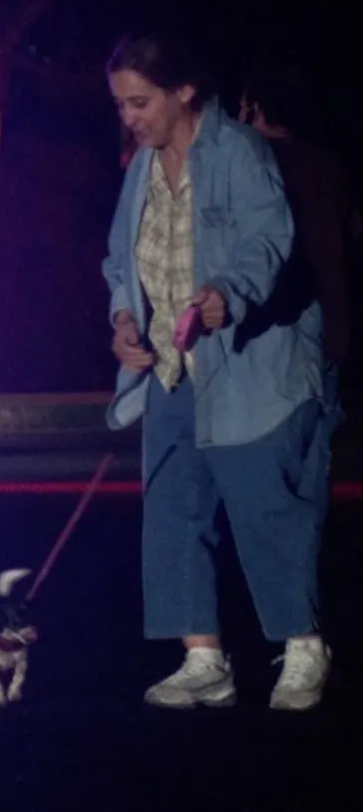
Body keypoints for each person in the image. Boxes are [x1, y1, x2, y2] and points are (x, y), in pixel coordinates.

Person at [102, 34, 332, 711]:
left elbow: (269, 238)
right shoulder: (140, 168)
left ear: (183, 92)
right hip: (172, 366)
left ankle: (303, 646)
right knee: (175, 507)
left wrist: (225, 294)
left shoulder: (240, 152)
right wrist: (124, 321)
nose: (130, 117)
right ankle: (203, 658)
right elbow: (121, 257)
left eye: (140, 102)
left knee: (266, 506)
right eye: (120, 105)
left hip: (245, 362)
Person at [239, 66, 359, 410]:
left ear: (256, 108)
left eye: (243, 106)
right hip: (333, 323)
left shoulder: (251, 164)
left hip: (278, 328)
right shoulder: (327, 165)